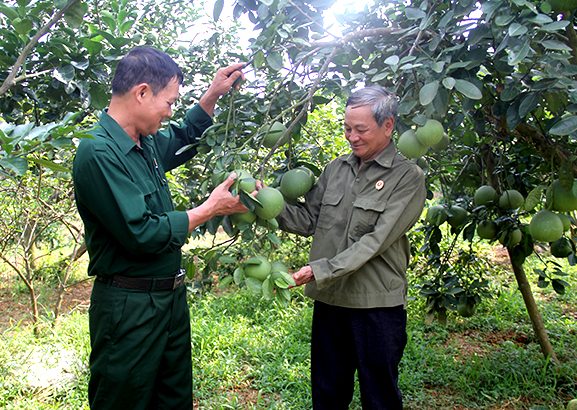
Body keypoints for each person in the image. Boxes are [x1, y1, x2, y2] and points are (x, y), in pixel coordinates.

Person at [72, 46, 248, 410]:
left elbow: (185, 137)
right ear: (141, 93)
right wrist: (208, 209)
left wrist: (213, 94)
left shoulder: (144, 142)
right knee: (125, 400)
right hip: (129, 307)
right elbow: (141, 233)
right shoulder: (99, 152)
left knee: (173, 400)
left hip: (168, 300)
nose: (170, 112)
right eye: (168, 102)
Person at [274, 85, 426, 409]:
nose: (351, 137)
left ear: (388, 126)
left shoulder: (408, 178)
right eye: (347, 128)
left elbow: (375, 241)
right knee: (328, 393)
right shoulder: (335, 169)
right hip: (331, 302)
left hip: (377, 308)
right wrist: (261, 205)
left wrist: (319, 270)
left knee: (379, 397)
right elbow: (307, 220)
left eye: (361, 129)